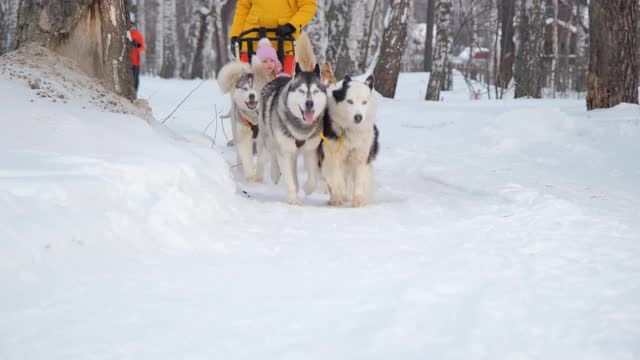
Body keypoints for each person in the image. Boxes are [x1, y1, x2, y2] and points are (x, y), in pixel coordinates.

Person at [229, 0, 316, 75]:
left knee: (283, 84)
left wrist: (291, 26)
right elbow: (243, 8)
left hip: (284, 38)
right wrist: (235, 35)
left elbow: (308, 5)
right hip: (251, 38)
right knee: (247, 83)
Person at [129, 26, 145, 92]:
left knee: (134, 78)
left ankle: (134, 92)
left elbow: (142, 46)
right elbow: (142, 47)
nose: (132, 28)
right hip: (133, 61)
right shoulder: (129, 34)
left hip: (134, 61)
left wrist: (136, 47)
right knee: (134, 78)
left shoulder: (137, 35)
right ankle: (134, 91)